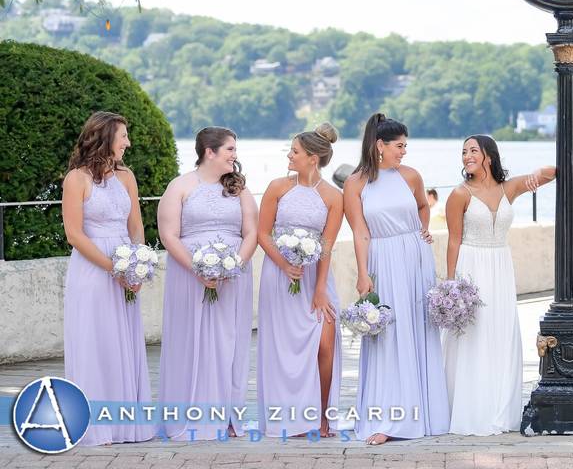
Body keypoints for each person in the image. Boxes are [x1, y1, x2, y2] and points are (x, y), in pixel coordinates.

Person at [343, 113, 449, 445]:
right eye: (399, 146)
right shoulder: (355, 183)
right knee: (388, 335)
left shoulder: (411, 175)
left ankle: (426, 412)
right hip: (382, 258)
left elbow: (422, 206)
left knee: (416, 330)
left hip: (415, 258)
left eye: (405, 145)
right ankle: (387, 418)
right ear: (380, 146)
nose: (404, 151)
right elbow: (360, 232)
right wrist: (363, 274)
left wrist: (422, 231)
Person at [443, 135, 555, 435]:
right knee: (473, 337)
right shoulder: (459, 194)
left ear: (488, 157)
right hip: (471, 267)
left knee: (501, 334)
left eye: (473, 151)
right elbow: (453, 240)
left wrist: (532, 177)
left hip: (500, 268)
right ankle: (469, 409)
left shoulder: (508, 189)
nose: (466, 155)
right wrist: (452, 286)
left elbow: (551, 172)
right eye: (463, 151)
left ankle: (500, 410)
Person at [157, 127, 258, 440]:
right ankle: (190, 415)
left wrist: (235, 265)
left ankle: (228, 415)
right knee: (192, 340)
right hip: (189, 276)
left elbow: (251, 233)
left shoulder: (239, 189)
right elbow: (168, 235)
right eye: (229, 149)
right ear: (209, 152)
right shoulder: (180, 186)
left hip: (232, 277)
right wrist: (197, 269)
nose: (234, 155)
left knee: (229, 342)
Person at [62, 111, 153, 445]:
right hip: (92, 270)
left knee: (123, 343)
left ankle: (125, 422)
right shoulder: (77, 179)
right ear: (104, 138)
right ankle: (95, 425)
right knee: (95, 341)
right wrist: (114, 268)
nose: (128, 142)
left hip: (126, 268)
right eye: (123, 136)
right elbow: (74, 234)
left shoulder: (126, 176)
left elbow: (136, 226)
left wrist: (138, 264)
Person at [256, 124, 343, 438]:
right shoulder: (277, 187)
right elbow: (262, 233)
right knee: (284, 349)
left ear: (313, 158)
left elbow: (328, 244)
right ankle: (288, 419)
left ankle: (322, 418)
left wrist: (320, 288)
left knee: (324, 345)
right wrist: (284, 265)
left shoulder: (334, 197)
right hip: (280, 276)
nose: (289, 156)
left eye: (294, 152)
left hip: (315, 280)